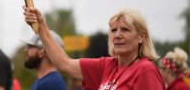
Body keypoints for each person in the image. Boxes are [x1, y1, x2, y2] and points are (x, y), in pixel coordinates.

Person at [23, 6, 165, 89]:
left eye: (125, 30)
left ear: (141, 37)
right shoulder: (107, 66)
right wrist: (41, 26)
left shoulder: (145, 70)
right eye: (114, 30)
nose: (117, 35)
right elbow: (64, 64)